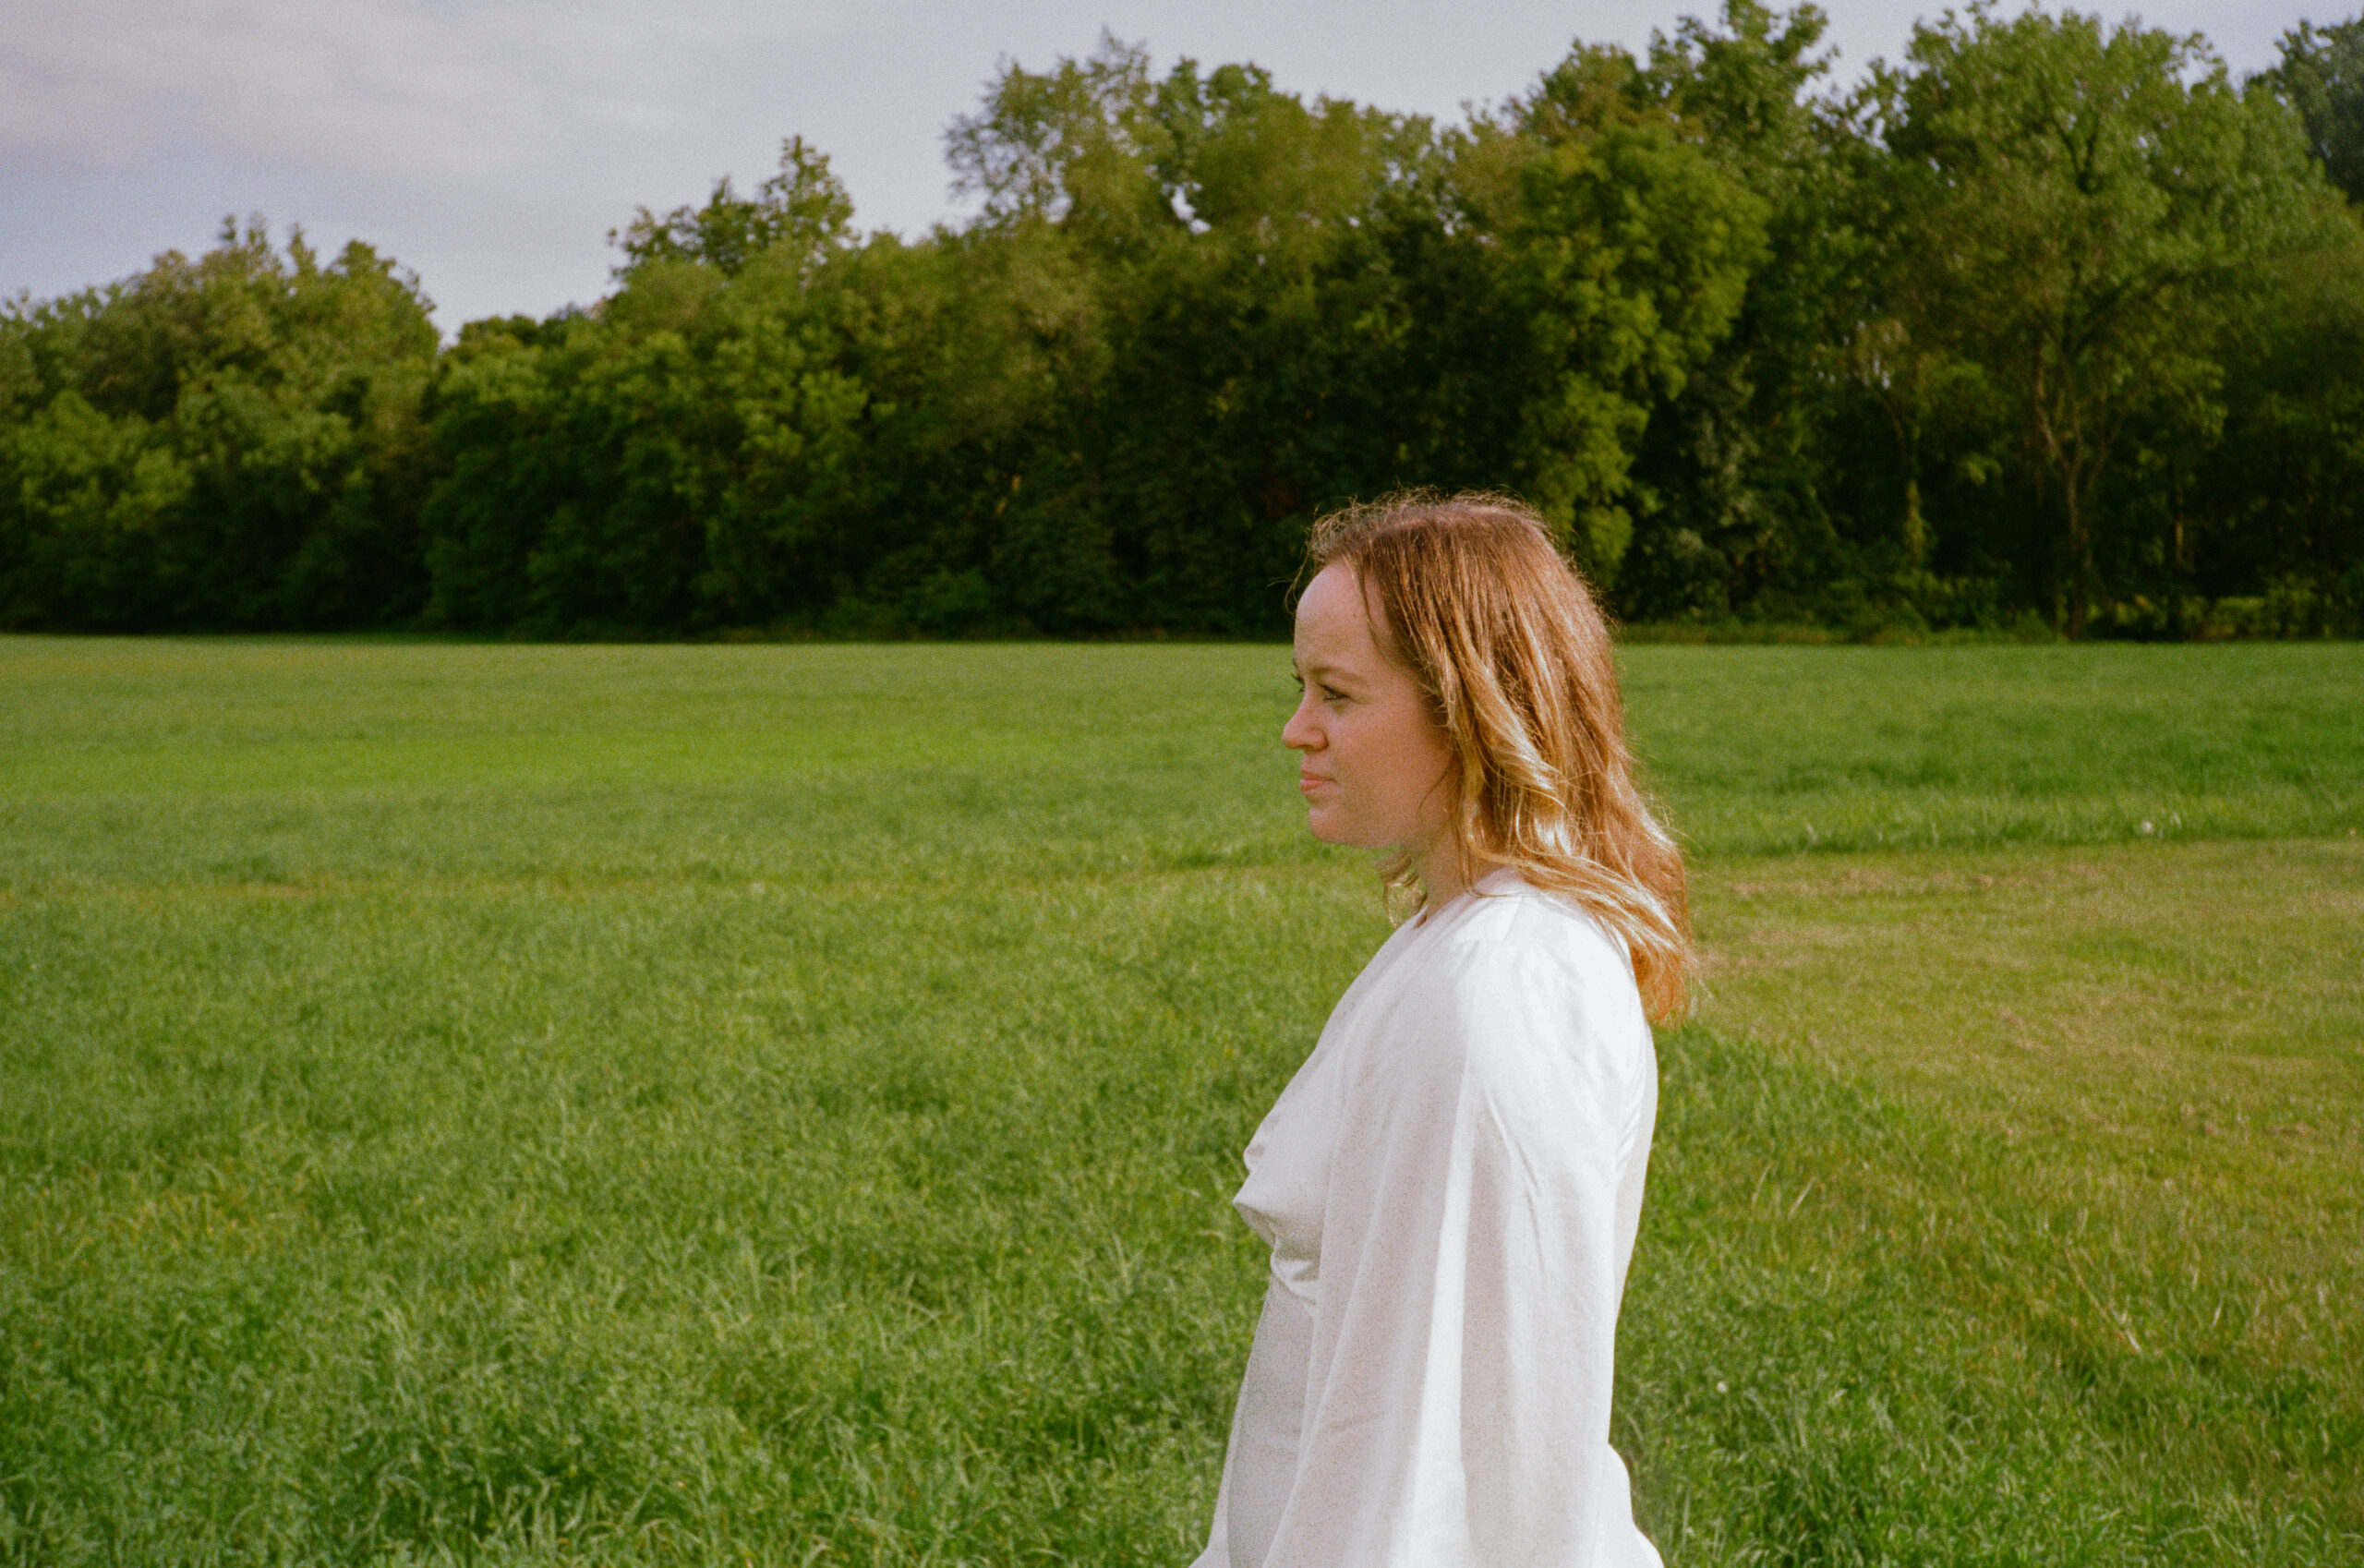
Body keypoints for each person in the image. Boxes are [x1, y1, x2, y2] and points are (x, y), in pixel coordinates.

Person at [1190, 493, 1690, 1568]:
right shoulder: (1466, 940)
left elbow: (1430, 1478)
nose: (1297, 729)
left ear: (1470, 707)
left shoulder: (1490, 999)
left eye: (1336, 693)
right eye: (1299, 689)